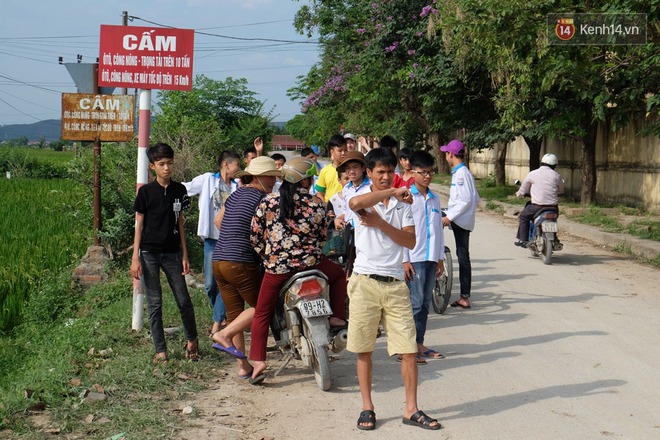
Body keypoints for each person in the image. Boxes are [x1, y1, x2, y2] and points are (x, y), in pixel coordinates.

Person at [347, 148, 443, 431]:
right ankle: (367, 407)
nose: (386, 177)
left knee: (409, 350)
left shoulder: (404, 205)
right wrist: (387, 196)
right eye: (380, 172)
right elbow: (354, 203)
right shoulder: (365, 198)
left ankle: (411, 409)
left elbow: (410, 241)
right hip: (364, 282)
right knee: (364, 349)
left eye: (390, 172)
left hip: (396, 284)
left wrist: (380, 221)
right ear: (369, 172)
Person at [248, 157, 348, 384]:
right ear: (305, 181)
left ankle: (259, 362)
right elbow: (323, 237)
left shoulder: (268, 201)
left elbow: (254, 237)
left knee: (262, 312)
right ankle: (337, 318)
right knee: (339, 275)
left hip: (278, 269)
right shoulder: (317, 204)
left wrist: (268, 256)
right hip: (312, 265)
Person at [210, 157, 281, 380]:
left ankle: (243, 366)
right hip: (239, 261)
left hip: (219, 259)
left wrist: (234, 236)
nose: (273, 181)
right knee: (263, 307)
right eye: (271, 177)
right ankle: (223, 334)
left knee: (235, 314)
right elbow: (269, 232)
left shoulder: (236, 195)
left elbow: (218, 222)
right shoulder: (263, 199)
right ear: (258, 177)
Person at [130, 143, 198, 363]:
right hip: (149, 253)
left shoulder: (180, 190)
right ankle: (161, 351)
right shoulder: (146, 192)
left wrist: (185, 255)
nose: (167, 168)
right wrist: (135, 257)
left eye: (169, 163)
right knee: (155, 302)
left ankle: (193, 341)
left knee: (184, 300)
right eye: (161, 164)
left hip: (173, 254)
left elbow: (181, 221)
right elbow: (139, 225)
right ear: (152, 167)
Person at [183, 150, 240, 335]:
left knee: (226, 282)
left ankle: (217, 322)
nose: (238, 169)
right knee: (209, 284)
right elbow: (186, 188)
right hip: (211, 238)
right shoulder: (208, 180)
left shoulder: (237, 185)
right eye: (236, 165)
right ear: (226, 165)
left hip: (230, 239)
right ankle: (221, 313)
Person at [403, 150, 445, 361]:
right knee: (415, 302)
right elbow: (402, 231)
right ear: (412, 172)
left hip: (430, 258)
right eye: (423, 172)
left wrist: (440, 257)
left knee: (425, 303)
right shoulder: (406, 197)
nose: (427, 176)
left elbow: (438, 228)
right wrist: (405, 259)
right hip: (414, 257)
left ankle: (418, 344)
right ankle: (407, 348)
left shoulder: (435, 198)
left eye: (430, 172)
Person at [441, 140, 479, 310]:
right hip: (462, 218)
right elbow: (475, 197)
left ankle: (465, 296)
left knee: (463, 257)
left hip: (460, 221)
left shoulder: (462, 174)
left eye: (446, 153)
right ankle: (464, 295)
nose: (445, 156)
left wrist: (449, 216)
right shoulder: (462, 172)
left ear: (450, 154)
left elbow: (466, 200)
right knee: (463, 255)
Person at [514, 153, 564, 248]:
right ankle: (554, 237)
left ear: (542, 163)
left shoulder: (532, 174)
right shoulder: (556, 176)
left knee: (524, 217)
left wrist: (519, 194)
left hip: (537, 206)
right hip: (553, 207)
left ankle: (523, 240)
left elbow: (523, 189)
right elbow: (561, 190)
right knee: (554, 219)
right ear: (554, 165)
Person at [314, 134, 347, 202]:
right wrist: (325, 205)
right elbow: (320, 193)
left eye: (345, 150)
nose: (343, 153)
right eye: (340, 151)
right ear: (332, 152)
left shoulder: (351, 170)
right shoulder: (325, 171)